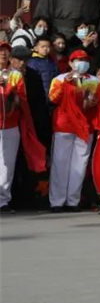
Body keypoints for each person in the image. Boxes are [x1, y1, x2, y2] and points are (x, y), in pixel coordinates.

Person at [48, 49, 100, 211]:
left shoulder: (93, 80)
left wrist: (94, 100)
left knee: (80, 164)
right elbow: (53, 98)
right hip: (64, 125)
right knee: (60, 163)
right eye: (78, 60)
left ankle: (73, 201)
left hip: (85, 126)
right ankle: (57, 201)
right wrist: (68, 84)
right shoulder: (59, 79)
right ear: (70, 63)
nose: (82, 63)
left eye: (85, 60)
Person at [0, 43, 47, 213]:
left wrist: (12, 95)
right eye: (1, 52)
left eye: (6, 51)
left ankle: (3, 201)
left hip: (12, 125)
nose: (3, 55)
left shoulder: (16, 76)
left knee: (8, 165)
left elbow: (22, 99)